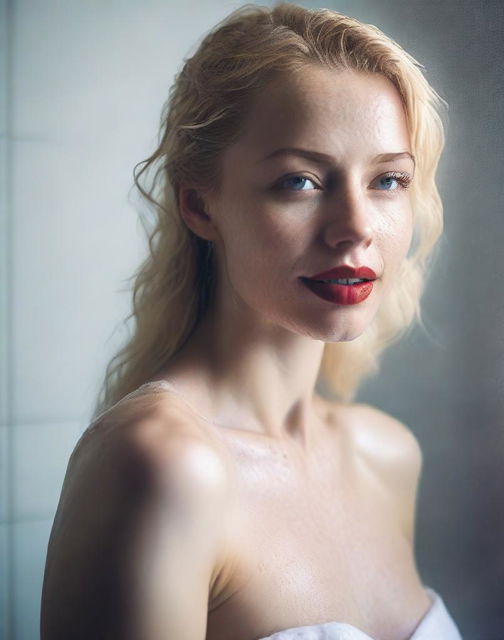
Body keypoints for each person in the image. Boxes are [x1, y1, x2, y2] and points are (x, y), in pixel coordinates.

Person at [41, 3, 461, 638]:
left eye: (388, 180)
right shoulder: (162, 465)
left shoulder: (388, 455)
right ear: (199, 205)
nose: (356, 228)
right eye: (299, 181)